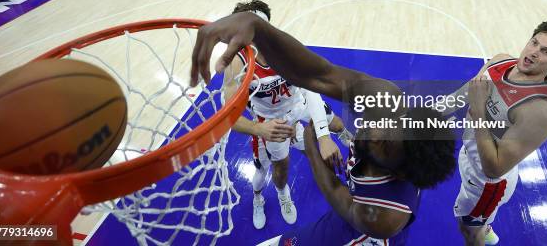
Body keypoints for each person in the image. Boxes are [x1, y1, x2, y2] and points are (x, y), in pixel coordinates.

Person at [190, 12, 457, 246]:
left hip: (358, 233)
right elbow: (319, 75)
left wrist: (311, 142)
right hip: (285, 124)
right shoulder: (387, 101)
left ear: (399, 172)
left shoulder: (383, 217)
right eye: (388, 125)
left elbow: (332, 188)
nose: (373, 131)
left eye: (384, 144)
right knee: (334, 126)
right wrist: (257, 27)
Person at [439, 21, 547, 246]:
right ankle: (486, 224)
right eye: (534, 43)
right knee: (477, 222)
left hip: (486, 182)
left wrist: (478, 112)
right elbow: (465, 93)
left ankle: (482, 230)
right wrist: (424, 115)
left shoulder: (539, 110)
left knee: (468, 231)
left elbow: (494, 167)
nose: (534, 52)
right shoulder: (499, 61)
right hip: (469, 155)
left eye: (546, 52)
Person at [222, 0, 353, 230]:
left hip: (300, 103)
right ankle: (278, 194)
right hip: (271, 121)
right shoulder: (237, 62)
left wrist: (323, 136)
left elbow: (312, 86)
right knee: (280, 168)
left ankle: (349, 141)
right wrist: (257, 129)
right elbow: (227, 116)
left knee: (337, 125)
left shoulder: (286, 47)